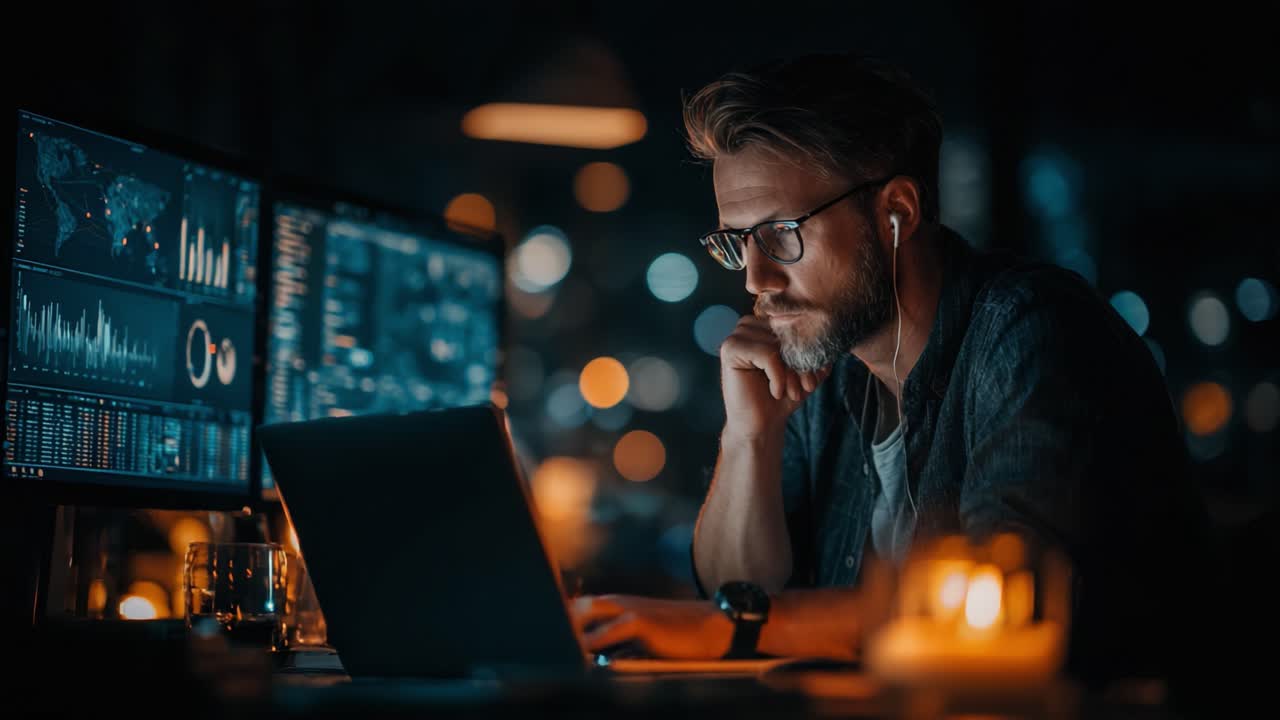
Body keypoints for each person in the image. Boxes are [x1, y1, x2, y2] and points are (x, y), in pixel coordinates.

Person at [572, 52, 1208, 686]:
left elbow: (1007, 603)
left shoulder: (1031, 331)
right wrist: (749, 437)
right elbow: (738, 591)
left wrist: (726, 627)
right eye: (737, 242)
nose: (757, 279)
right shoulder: (827, 369)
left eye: (782, 233)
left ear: (896, 212)